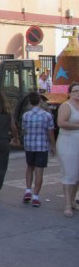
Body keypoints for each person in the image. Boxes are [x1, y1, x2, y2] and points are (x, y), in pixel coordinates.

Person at [21, 91, 56, 207]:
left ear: (30, 102)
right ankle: (35, 197)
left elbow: (24, 130)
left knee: (29, 168)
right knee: (39, 171)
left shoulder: (26, 115)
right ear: (40, 101)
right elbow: (50, 132)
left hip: (29, 145)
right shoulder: (47, 116)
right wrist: (53, 146)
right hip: (42, 146)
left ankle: (28, 190)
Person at [56, 82, 79, 217]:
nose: (78, 93)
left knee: (77, 175)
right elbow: (61, 123)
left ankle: (73, 201)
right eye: (75, 91)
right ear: (70, 93)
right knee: (69, 173)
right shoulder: (66, 106)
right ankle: (68, 205)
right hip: (68, 143)